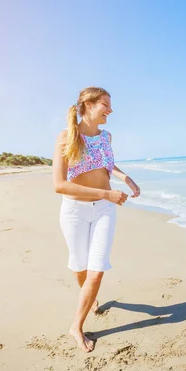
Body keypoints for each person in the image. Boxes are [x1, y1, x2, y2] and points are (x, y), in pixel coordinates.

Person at [52, 86, 140, 353]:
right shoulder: (67, 136)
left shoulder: (107, 137)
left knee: (97, 269)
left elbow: (105, 162)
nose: (110, 110)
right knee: (81, 268)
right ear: (88, 105)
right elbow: (59, 185)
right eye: (105, 104)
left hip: (104, 209)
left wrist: (124, 177)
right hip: (75, 212)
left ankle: (75, 327)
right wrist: (106, 192)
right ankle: (90, 298)